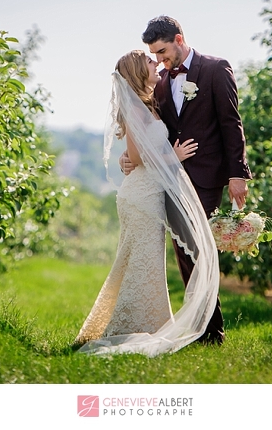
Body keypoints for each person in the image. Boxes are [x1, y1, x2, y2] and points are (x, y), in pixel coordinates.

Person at [74, 50, 220, 357]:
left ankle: (142, 325)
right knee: (144, 264)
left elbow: (140, 150)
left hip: (149, 194)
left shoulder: (149, 104)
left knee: (139, 265)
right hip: (141, 197)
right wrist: (173, 157)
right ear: (140, 71)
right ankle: (136, 328)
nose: (157, 65)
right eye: (151, 62)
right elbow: (138, 156)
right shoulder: (135, 109)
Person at [121, 15, 252, 345]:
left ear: (178, 40)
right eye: (154, 54)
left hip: (206, 177)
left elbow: (231, 123)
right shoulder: (160, 81)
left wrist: (237, 174)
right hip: (169, 179)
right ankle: (201, 329)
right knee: (184, 252)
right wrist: (130, 156)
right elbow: (147, 130)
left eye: (162, 51)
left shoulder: (215, 69)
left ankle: (212, 331)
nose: (159, 60)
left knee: (200, 248)